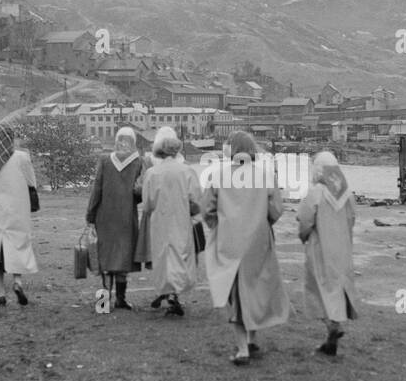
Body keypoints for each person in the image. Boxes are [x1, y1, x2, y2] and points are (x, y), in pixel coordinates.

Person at [201, 130, 289, 363]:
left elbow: (207, 210)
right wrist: (263, 222)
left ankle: (242, 349)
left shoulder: (217, 175)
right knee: (254, 289)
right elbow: (276, 210)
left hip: (229, 241)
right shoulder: (266, 176)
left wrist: (219, 227)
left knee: (235, 293)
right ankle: (251, 340)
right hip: (258, 241)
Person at [297, 150, 359, 355]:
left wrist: (303, 236)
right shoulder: (347, 194)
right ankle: (332, 333)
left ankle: (332, 326)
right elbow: (352, 220)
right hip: (342, 248)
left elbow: (305, 220)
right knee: (336, 288)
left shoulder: (316, 192)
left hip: (319, 247)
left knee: (319, 289)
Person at [0, 120, 38, 307]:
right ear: (12, 138)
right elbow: (31, 182)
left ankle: (1, 294)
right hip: (17, 210)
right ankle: (18, 282)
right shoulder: (22, 157)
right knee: (17, 246)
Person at [140, 125, 200, 316]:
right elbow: (196, 200)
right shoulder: (187, 171)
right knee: (179, 255)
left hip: (159, 220)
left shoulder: (152, 174)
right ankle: (174, 293)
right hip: (181, 219)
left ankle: (165, 290)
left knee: (162, 256)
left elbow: (147, 202)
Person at [85, 125, 144, 310]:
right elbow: (139, 194)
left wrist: (90, 215)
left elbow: (97, 189)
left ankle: (102, 303)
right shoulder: (139, 162)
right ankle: (121, 299)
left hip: (105, 216)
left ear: (117, 140)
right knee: (123, 257)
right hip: (126, 217)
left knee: (105, 258)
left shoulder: (104, 160)